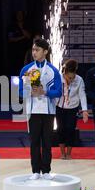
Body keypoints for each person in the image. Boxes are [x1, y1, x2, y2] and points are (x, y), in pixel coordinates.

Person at [19, 38, 62, 180]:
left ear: (45, 51)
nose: (34, 52)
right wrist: (29, 92)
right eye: (33, 50)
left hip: (48, 111)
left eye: (37, 50)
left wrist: (45, 92)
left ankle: (47, 170)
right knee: (35, 142)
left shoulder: (53, 71)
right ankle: (35, 170)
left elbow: (58, 92)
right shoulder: (27, 69)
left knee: (47, 142)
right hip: (33, 111)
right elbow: (20, 91)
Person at [56, 59, 88, 160]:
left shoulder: (79, 80)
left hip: (73, 108)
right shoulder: (58, 78)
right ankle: (62, 153)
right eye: (68, 77)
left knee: (70, 129)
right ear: (64, 72)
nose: (70, 79)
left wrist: (85, 111)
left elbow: (82, 95)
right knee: (60, 129)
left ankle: (69, 153)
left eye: (72, 77)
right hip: (60, 107)